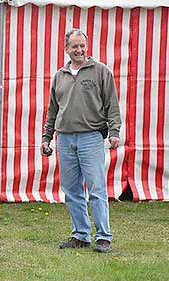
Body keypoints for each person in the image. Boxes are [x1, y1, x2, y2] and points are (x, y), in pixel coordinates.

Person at [41, 29, 121, 253]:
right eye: (74, 46)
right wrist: (46, 137)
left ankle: (103, 237)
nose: (79, 50)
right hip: (64, 139)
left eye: (82, 46)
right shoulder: (59, 75)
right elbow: (52, 111)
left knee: (96, 188)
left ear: (87, 47)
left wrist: (114, 131)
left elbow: (112, 105)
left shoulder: (101, 71)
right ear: (66, 49)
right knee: (71, 190)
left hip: (91, 137)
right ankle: (81, 235)